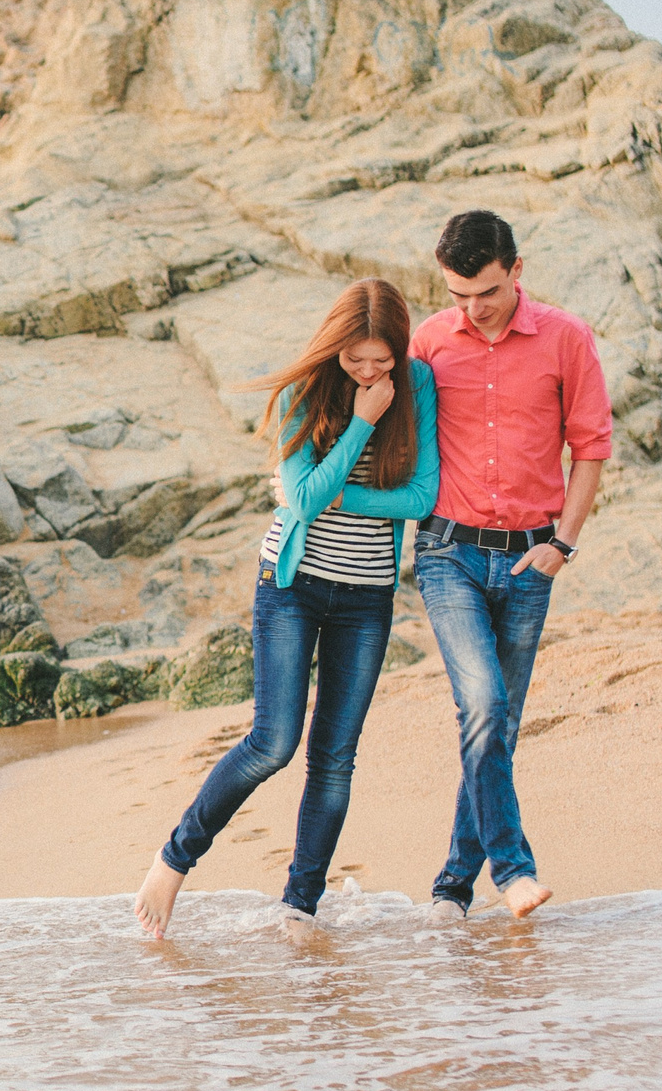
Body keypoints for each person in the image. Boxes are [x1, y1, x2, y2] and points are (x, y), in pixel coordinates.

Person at [133, 279, 439, 946]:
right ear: (334, 349)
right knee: (273, 742)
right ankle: (173, 860)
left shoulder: (416, 386)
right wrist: (360, 423)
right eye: (355, 359)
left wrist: (332, 496)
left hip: (366, 598)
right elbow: (300, 502)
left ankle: (300, 905)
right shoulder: (311, 391)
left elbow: (421, 497)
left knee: (335, 758)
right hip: (291, 585)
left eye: (379, 359)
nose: (368, 371)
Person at [411, 209, 612, 924]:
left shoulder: (567, 338)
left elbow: (590, 447)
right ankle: (514, 870)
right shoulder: (430, 342)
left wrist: (563, 544)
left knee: (497, 724)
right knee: (485, 705)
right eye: (459, 295)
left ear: (516, 270)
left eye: (486, 293)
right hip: (446, 554)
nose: (472, 309)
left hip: (531, 559)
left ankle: (452, 886)